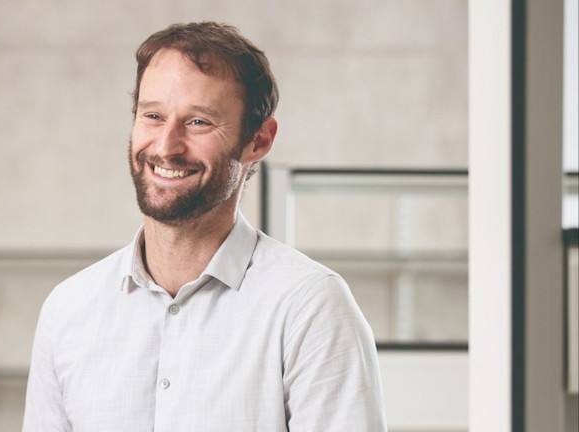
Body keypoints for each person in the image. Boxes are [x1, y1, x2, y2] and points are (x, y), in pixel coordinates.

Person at [23, 21, 386, 431]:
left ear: (259, 140)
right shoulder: (68, 310)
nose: (166, 146)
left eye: (198, 122)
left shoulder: (309, 308)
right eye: (153, 116)